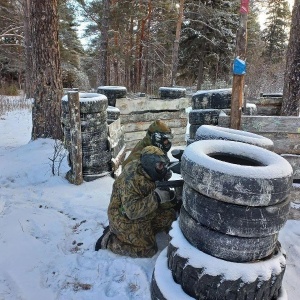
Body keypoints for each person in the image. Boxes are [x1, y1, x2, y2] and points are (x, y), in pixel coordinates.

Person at [95, 146, 177, 258]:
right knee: (148, 250)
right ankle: (110, 240)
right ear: (149, 164)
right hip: (123, 216)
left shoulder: (145, 168)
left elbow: (149, 184)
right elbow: (132, 211)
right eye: (160, 165)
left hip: (141, 210)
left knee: (169, 216)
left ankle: (144, 231)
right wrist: (156, 197)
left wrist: (162, 175)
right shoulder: (131, 180)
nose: (162, 168)